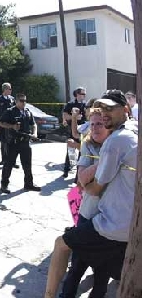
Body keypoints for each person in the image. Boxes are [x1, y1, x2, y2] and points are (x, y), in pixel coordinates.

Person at [45, 90, 138, 298]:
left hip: (111, 224)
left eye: (110, 109)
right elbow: (81, 172)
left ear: (125, 110)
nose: (104, 115)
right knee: (86, 270)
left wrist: (87, 184)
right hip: (122, 223)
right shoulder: (130, 132)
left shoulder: (115, 141)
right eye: (102, 108)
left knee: (62, 246)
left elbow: (92, 188)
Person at [60, 109, 112, 298]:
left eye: (100, 124)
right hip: (88, 215)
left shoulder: (119, 145)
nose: (96, 128)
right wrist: (106, 160)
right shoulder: (88, 146)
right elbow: (83, 179)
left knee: (101, 276)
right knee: (76, 268)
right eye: (93, 124)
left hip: (109, 221)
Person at [0, 93, 41, 194]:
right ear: (16, 101)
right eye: (21, 101)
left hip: (25, 142)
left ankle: (28, 184)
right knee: (8, 164)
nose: (24, 103)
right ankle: (4, 185)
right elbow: (0, 122)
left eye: (25, 100)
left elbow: (33, 124)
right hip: (13, 143)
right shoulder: (10, 111)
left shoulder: (27, 112)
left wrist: (34, 133)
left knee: (27, 165)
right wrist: (12, 126)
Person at [62, 87, 87, 177]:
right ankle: (67, 169)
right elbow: (65, 115)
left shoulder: (86, 105)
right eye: (82, 94)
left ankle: (78, 173)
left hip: (83, 131)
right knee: (71, 150)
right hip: (72, 129)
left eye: (85, 94)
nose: (84, 96)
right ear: (77, 94)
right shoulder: (70, 104)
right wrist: (74, 117)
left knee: (82, 151)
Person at [0, 82, 18, 168]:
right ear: (5, 89)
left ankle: (12, 161)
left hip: (11, 124)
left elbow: (15, 111)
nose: (11, 90)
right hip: (2, 124)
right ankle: (4, 160)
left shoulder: (12, 99)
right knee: (3, 142)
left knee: (13, 142)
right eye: (9, 88)